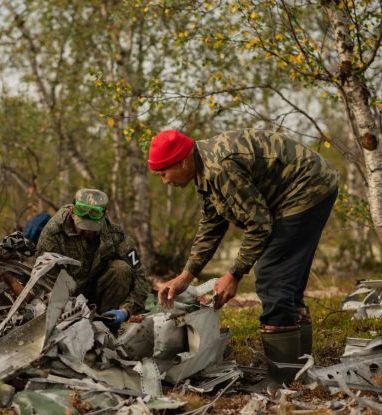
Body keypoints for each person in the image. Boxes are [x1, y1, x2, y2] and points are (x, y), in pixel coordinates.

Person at [148, 129, 338, 383]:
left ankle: (285, 378)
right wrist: (186, 276)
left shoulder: (219, 169)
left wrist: (234, 274)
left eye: (163, 173)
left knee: (273, 278)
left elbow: (259, 224)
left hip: (307, 188)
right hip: (306, 187)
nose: (164, 181)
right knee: (286, 284)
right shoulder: (203, 168)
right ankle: (298, 369)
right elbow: (212, 224)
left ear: (182, 162)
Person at [35, 188, 149, 330]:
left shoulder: (115, 235)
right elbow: (44, 282)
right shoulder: (53, 234)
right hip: (65, 301)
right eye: (82, 226)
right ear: (72, 213)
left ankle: (108, 327)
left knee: (121, 269)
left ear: (103, 217)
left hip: (99, 297)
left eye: (92, 228)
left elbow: (140, 277)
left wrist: (126, 311)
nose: (87, 231)